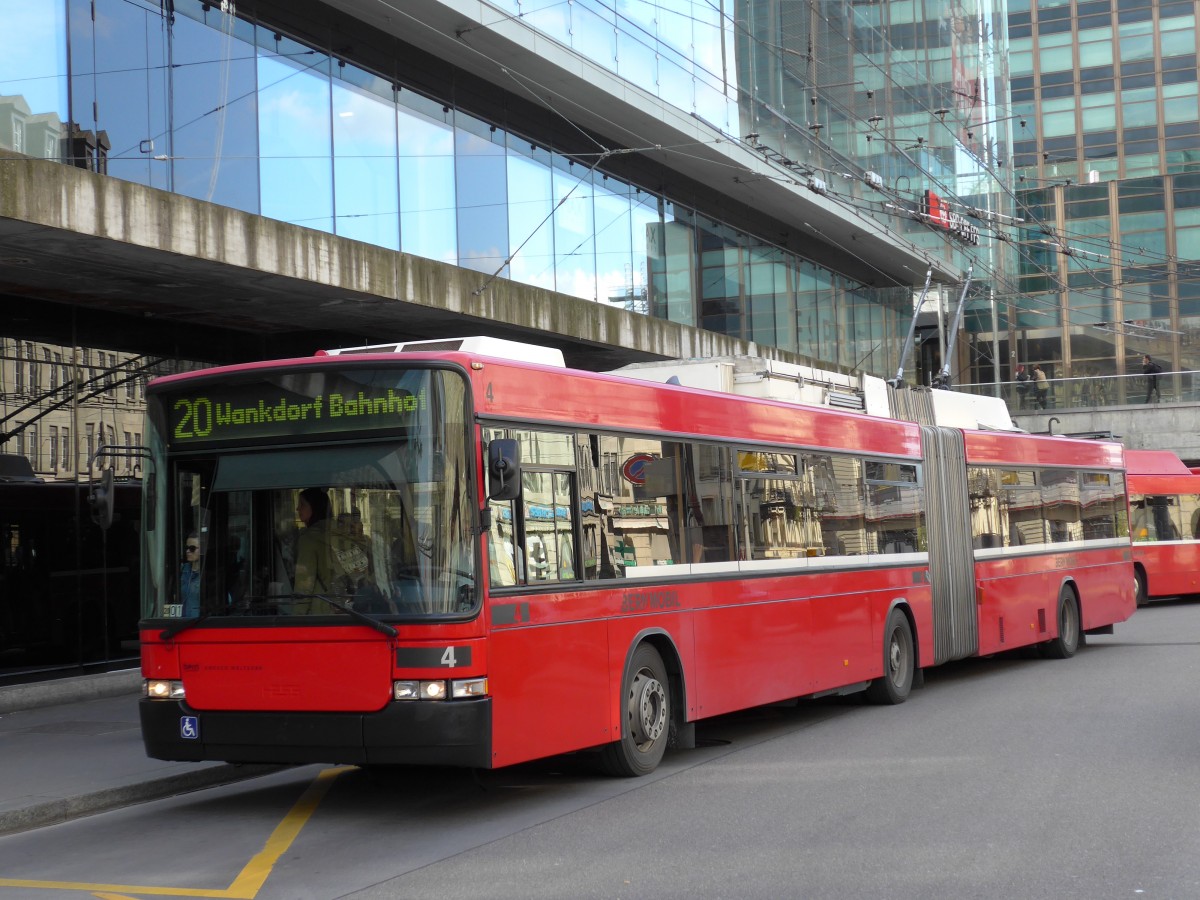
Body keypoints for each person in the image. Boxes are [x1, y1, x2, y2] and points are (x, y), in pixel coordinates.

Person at [292, 487, 345, 611]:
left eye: (302, 504)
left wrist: (296, 618)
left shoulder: (309, 539)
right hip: (346, 608)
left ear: (315, 507)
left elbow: (304, 585)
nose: (298, 508)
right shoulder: (342, 534)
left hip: (321, 611)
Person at [180, 533, 202, 617]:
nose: (187, 551)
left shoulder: (208, 573)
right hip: (181, 623)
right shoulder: (182, 570)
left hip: (199, 623)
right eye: (187, 548)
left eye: (192, 548)